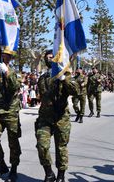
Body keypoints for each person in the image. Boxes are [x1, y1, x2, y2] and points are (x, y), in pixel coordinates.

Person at [35, 50, 79, 182]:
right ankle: (49, 173)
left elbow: (76, 91)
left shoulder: (64, 74)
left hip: (61, 118)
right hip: (45, 118)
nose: (49, 59)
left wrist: (64, 79)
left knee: (61, 148)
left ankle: (61, 176)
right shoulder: (42, 78)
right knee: (42, 145)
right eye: (47, 58)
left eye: (51, 57)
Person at [0, 52, 22, 182]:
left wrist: (7, 72)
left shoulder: (15, 73)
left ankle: (13, 169)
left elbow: (15, 86)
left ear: (10, 58)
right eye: (2, 55)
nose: (3, 57)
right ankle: (2, 166)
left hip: (11, 113)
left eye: (6, 56)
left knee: (13, 142)